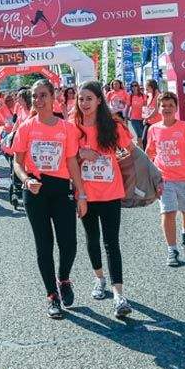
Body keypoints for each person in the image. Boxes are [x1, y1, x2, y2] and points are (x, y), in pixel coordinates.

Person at [11, 79, 86, 319]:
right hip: (35, 190)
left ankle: (63, 279)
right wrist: (26, 180)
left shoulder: (67, 128)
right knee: (44, 245)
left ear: (54, 98)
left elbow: (72, 162)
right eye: (35, 96)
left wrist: (81, 194)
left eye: (43, 95)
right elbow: (17, 163)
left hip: (61, 189)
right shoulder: (26, 128)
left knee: (69, 243)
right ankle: (52, 295)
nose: (38, 100)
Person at [74, 81, 134, 318]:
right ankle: (99, 278)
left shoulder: (113, 125)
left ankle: (119, 294)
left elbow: (130, 150)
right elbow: (67, 158)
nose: (84, 103)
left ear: (100, 100)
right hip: (85, 194)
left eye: (89, 98)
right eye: (81, 99)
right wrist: (81, 154)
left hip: (110, 192)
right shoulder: (73, 127)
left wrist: (112, 158)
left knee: (112, 242)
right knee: (92, 238)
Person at [147, 93, 185, 267]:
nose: (167, 108)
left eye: (170, 105)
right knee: (168, 212)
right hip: (164, 178)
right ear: (158, 108)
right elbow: (149, 153)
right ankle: (172, 250)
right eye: (163, 105)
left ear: (176, 108)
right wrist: (148, 174)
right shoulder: (153, 129)